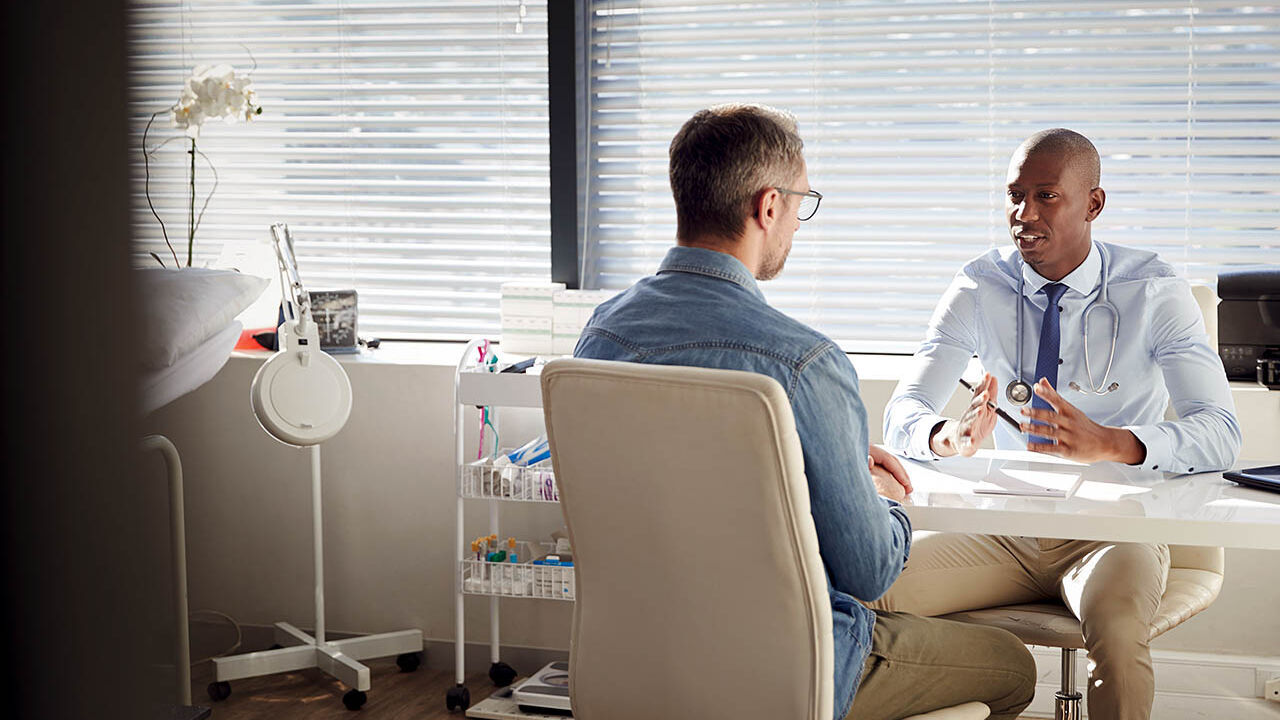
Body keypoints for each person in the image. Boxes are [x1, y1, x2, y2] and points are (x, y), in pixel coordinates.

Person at [575, 103, 1036, 720]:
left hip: (636, 658)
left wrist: (819, 459)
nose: (798, 221)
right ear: (768, 206)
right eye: (801, 203)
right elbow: (870, 571)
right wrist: (879, 495)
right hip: (792, 668)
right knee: (1012, 666)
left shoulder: (602, 336)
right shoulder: (804, 363)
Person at [881, 128, 1242, 720]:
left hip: (1115, 530)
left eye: (1046, 196)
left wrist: (1114, 443)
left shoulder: (1154, 290)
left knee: (1118, 641)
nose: (1023, 215)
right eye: (1014, 196)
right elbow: (903, 413)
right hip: (1004, 529)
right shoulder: (979, 285)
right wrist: (947, 437)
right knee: (861, 592)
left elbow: (1221, 434)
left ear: (1093, 204)